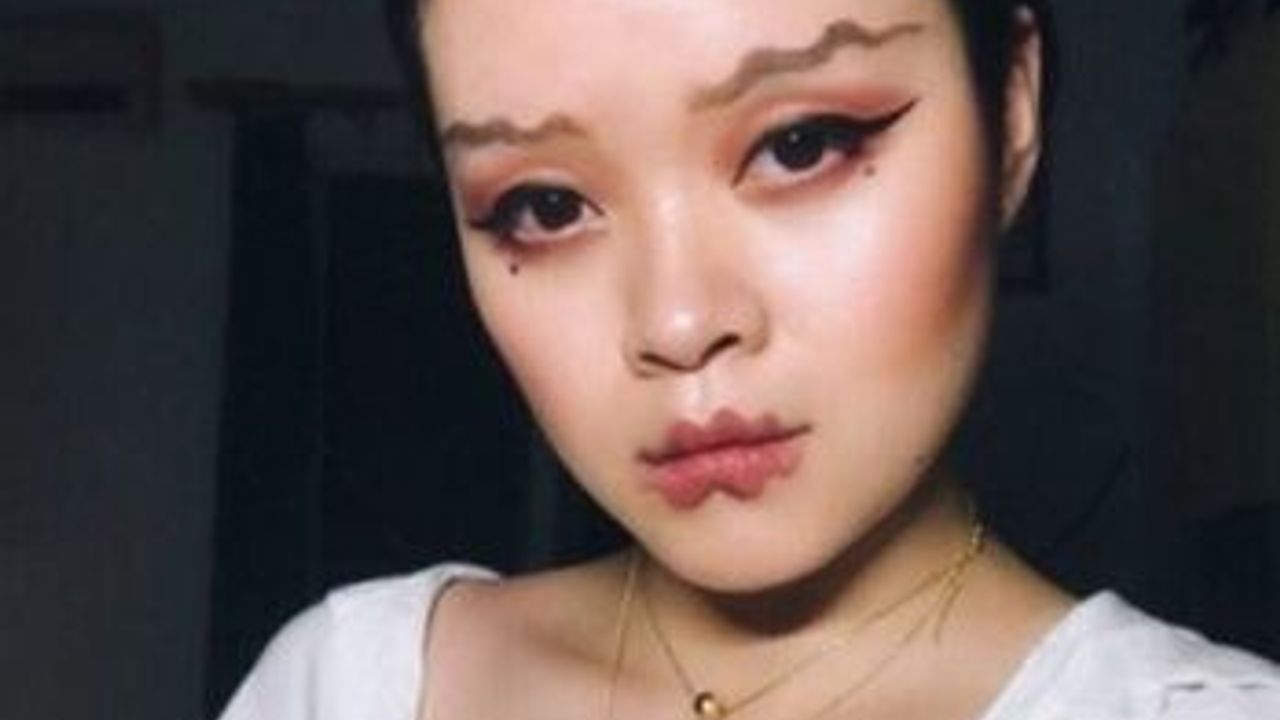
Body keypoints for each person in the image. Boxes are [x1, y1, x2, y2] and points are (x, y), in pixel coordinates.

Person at [217, 1, 1280, 719]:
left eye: (798, 145)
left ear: (1009, 111)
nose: (680, 323)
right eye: (544, 206)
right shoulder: (349, 688)